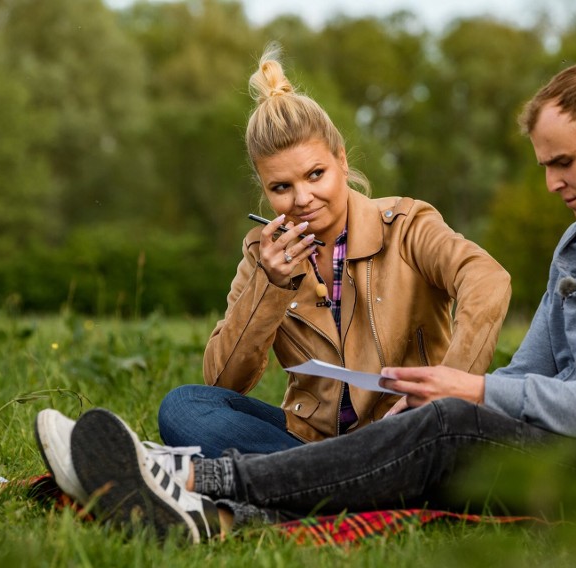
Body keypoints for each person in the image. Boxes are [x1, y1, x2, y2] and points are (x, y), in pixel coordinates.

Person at [35, 61, 576, 543]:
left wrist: (464, 387)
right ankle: (206, 496)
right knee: (199, 404)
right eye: (545, 165)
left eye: (562, 163)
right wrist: (271, 287)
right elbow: (531, 375)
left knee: (448, 425)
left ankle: (192, 480)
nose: (550, 183)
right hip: (569, 450)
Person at [156, 43, 511, 458]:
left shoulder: (407, 224)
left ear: (341, 161)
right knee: (182, 407)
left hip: (405, 432)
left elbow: (487, 279)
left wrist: (448, 389)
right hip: (309, 441)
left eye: (315, 174)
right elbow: (220, 386)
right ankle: (330, 477)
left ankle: (287, 480)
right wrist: (271, 285)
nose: (302, 198)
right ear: (265, 190)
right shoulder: (262, 254)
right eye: (281, 187)